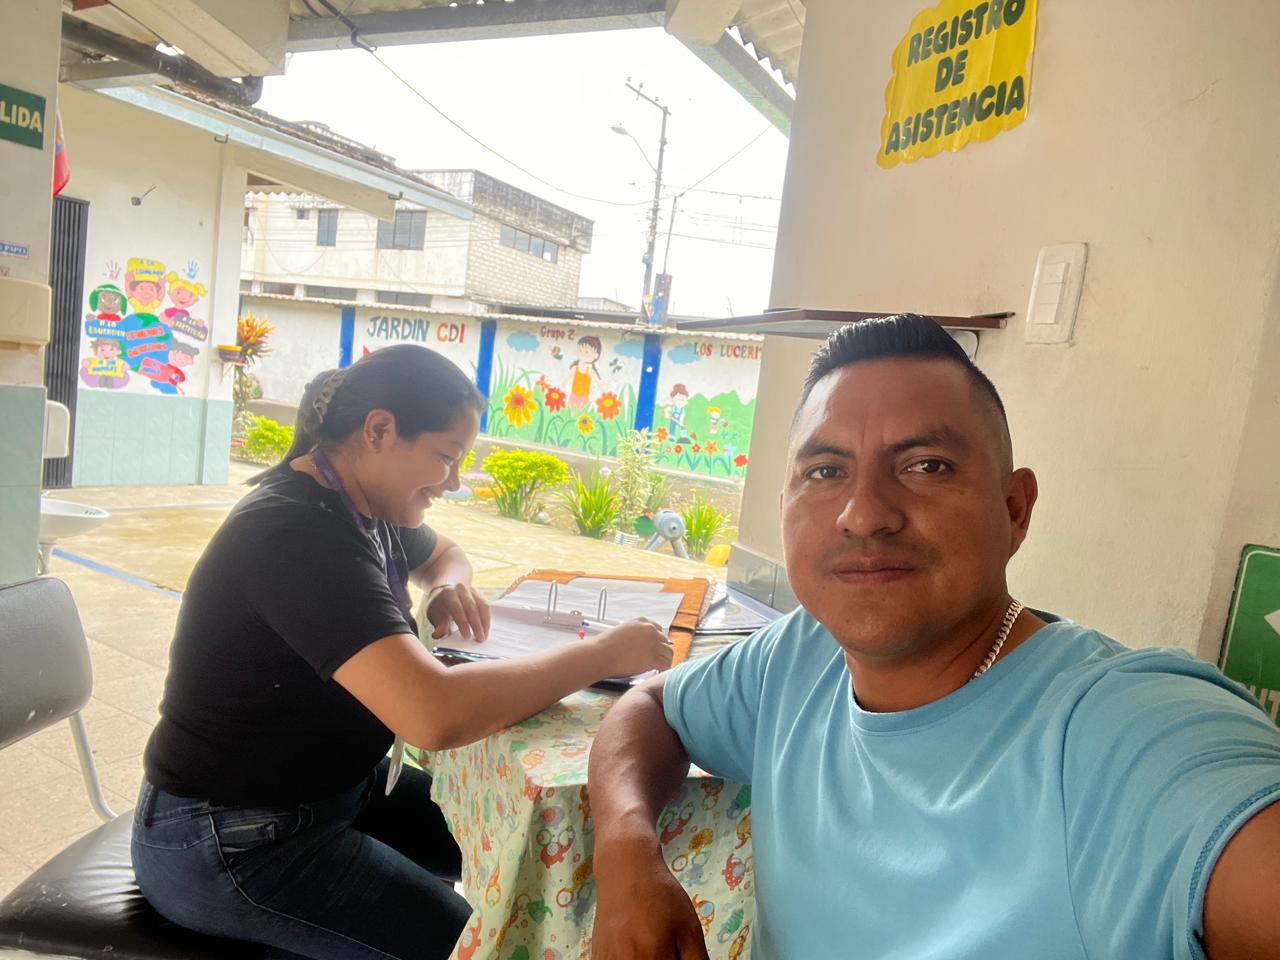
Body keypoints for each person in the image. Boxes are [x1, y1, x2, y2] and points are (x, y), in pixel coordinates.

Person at [587, 314, 1280, 960]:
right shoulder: (800, 654)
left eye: (926, 465)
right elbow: (651, 706)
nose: (863, 514)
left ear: (1014, 509)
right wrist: (625, 849)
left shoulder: (1118, 732)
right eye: (825, 472)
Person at [131, 344, 672, 960]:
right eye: (445, 457)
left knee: (533, 845)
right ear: (379, 430)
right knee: (477, 945)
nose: (454, 482)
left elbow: (445, 554)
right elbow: (432, 713)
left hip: (338, 792)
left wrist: (445, 587)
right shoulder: (294, 534)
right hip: (234, 838)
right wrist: (601, 655)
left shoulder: (365, 502)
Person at [565, 335, 603, 409]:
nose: (582, 354)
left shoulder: (590, 370)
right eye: (580, 350)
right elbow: (567, 378)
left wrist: (602, 391)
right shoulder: (575, 368)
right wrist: (562, 386)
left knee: (582, 413)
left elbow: (598, 382)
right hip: (573, 396)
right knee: (571, 412)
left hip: (584, 398)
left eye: (586, 352)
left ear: (596, 355)